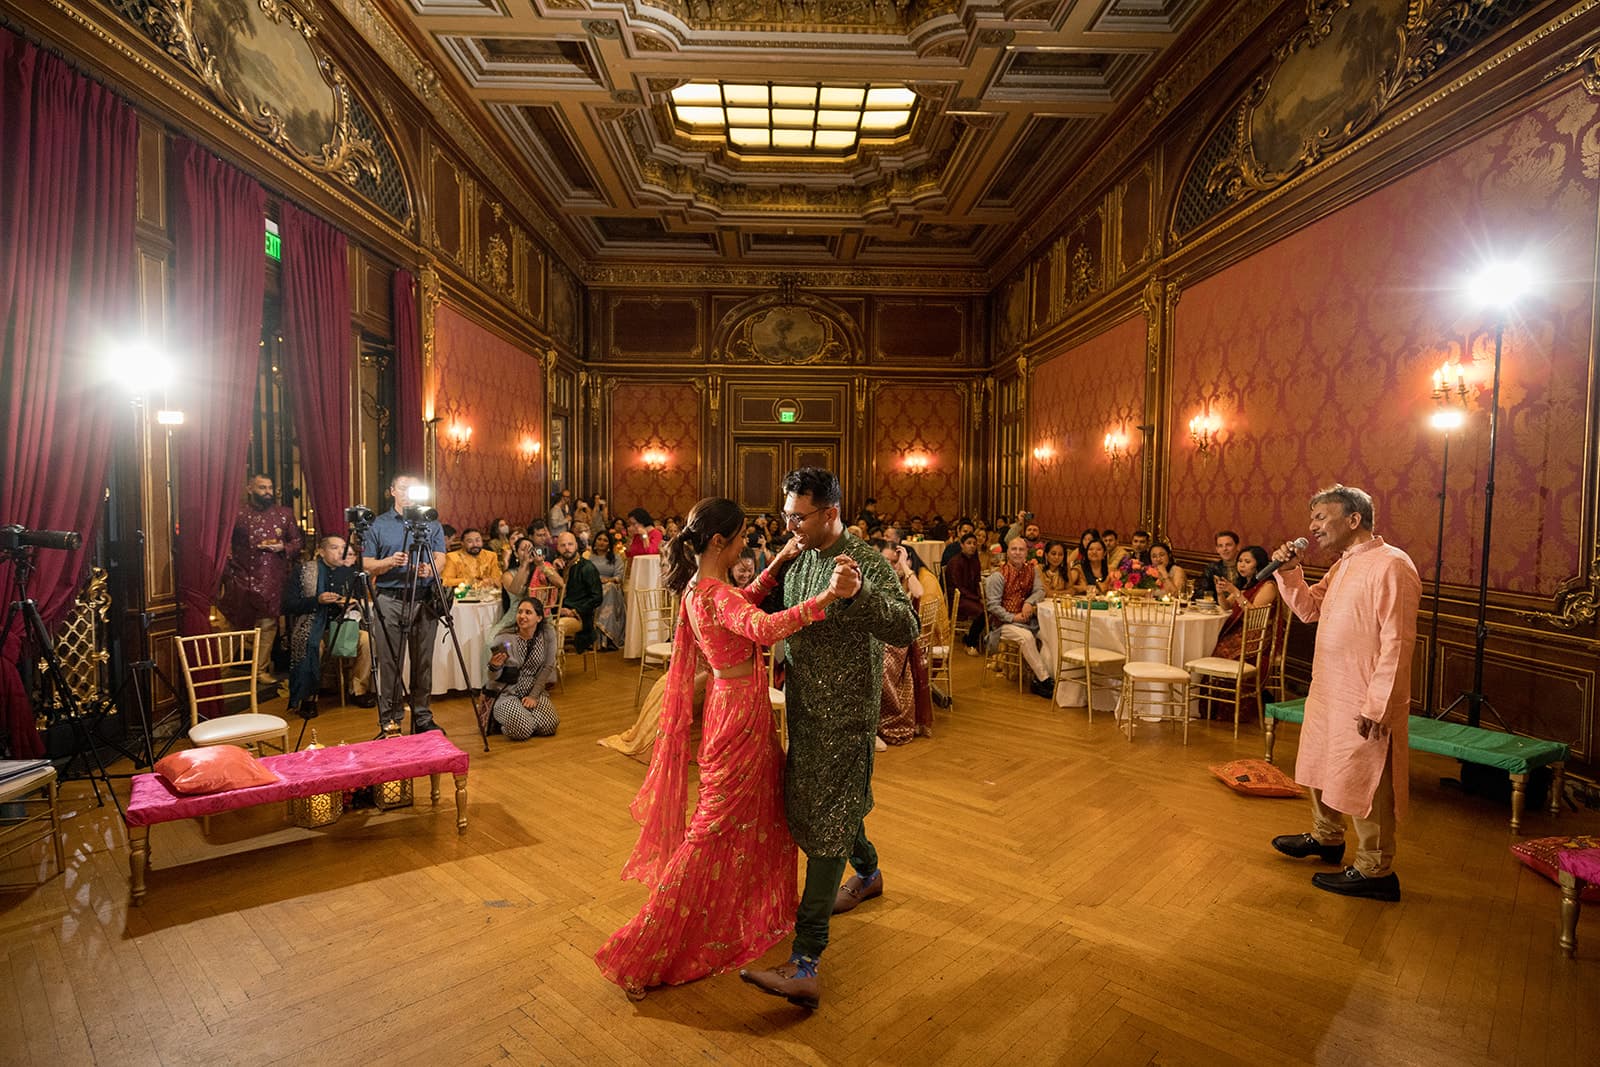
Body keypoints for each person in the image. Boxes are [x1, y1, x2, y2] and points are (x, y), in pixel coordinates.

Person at [595, 498, 852, 1001]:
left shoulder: (700, 588)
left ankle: (738, 916)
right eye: (738, 539)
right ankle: (647, 946)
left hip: (730, 708)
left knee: (757, 818)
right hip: (738, 719)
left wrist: (778, 563)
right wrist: (826, 597)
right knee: (711, 833)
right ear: (719, 541)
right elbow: (761, 627)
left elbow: (744, 606)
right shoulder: (712, 593)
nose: (742, 546)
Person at [739, 468, 919, 1010]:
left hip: (845, 714)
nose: (789, 525)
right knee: (829, 803)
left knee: (826, 824)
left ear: (830, 513)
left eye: (799, 516)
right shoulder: (798, 556)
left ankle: (806, 960)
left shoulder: (860, 561)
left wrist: (861, 593)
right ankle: (868, 873)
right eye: (786, 515)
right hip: (804, 708)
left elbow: (905, 628)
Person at [1268, 485, 1420, 902]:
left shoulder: (1392, 565)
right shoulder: (1342, 566)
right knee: (1323, 762)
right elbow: (1308, 610)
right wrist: (1289, 571)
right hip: (1329, 688)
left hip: (1363, 692)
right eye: (1311, 518)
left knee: (1365, 778)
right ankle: (1326, 837)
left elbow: (1398, 642)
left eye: (1321, 518)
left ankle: (1375, 870)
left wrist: (1379, 703)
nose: (1312, 527)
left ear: (1354, 519)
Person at [361, 473, 448, 734]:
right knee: (390, 662)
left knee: (423, 662)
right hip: (390, 598)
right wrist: (388, 563)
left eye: (414, 488)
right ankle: (391, 719)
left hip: (423, 599)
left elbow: (441, 557)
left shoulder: (431, 522)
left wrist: (430, 570)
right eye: (403, 487)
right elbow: (365, 563)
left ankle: (422, 716)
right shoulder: (378, 524)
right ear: (392, 492)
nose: (409, 492)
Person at [218, 473, 303, 684]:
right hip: (240, 577)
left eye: (270, 488)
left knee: (267, 626)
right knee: (234, 624)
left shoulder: (284, 514)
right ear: (250, 489)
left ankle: (260, 671)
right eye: (262, 487)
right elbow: (223, 542)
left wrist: (283, 547)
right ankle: (220, 669)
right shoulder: (236, 514)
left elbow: (297, 542)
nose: (267, 492)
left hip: (271, 579)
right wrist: (227, 568)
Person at [281, 535, 373, 717]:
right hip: (313, 625)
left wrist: (350, 602)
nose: (341, 552)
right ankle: (309, 697)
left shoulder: (350, 572)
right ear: (321, 551)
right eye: (334, 548)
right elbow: (288, 604)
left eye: (343, 548)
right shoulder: (304, 570)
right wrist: (317, 600)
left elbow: (362, 599)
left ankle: (358, 690)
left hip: (344, 626)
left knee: (367, 641)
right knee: (312, 644)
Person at [1207, 545, 1280, 721]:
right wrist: (1221, 594)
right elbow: (1227, 607)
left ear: (1259, 565)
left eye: (1247, 561)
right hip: (1240, 633)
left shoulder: (1268, 585)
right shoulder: (1246, 585)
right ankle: (1213, 708)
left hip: (1259, 638)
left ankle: (1231, 710)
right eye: (1240, 561)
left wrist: (1235, 592)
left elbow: (1254, 615)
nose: (1242, 565)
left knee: (1224, 653)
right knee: (1215, 650)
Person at [983, 537, 1054, 698]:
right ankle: (1044, 680)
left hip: (1028, 620)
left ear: (1026, 553)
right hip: (1004, 624)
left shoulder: (1032, 570)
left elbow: (1040, 591)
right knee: (1027, 637)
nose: (1017, 553)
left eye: (1021, 550)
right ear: (1007, 552)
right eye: (1014, 549)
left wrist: (1029, 603)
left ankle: (1042, 677)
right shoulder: (998, 576)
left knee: (1048, 636)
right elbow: (993, 606)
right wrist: (1013, 617)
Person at [876, 543, 932, 746]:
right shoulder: (875, 579)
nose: (890, 566)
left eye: (894, 561)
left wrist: (905, 566)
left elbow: (918, 593)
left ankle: (885, 722)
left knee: (880, 668)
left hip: (898, 642)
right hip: (877, 638)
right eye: (887, 561)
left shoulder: (905, 582)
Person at [483, 597, 560, 739]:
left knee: (550, 725)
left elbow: (548, 666)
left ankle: (521, 717)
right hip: (507, 692)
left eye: (528, 612)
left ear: (539, 618)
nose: (522, 616)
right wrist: (494, 666)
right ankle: (506, 721)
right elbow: (492, 678)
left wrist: (533, 696)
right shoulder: (504, 638)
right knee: (523, 730)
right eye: (520, 612)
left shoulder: (547, 634)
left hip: (532, 690)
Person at [554, 530, 602, 652]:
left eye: (570, 544)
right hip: (557, 613)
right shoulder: (557, 567)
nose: (567, 548)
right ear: (557, 548)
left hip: (580, 616)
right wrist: (553, 571)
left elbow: (597, 597)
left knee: (557, 627)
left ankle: (555, 666)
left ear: (576, 545)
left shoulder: (587, 567)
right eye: (563, 545)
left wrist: (574, 611)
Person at [586, 529, 626, 650]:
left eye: (605, 540)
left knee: (609, 588)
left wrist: (608, 580)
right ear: (595, 541)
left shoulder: (616, 558)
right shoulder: (589, 559)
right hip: (593, 588)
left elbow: (619, 577)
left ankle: (609, 638)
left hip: (611, 588)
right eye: (599, 539)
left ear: (609, 544)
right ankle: (600, 640)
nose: (602, 542)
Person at [946, 532, 985, 655]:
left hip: (970, 596)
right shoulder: (955, 562)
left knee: (991, 608)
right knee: (981, 612)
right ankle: (970, 642)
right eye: (969, 543)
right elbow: (958, 587)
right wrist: (977, 598)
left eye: (974, 543)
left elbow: (977, 582)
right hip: (958, 598)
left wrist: (982, 596)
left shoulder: (975, 561)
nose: (972, 546)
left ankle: (972, 637)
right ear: (962, 545)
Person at [1198, 530, 1243, 599]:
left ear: (1238, 546)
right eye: (1220, 546)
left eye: (1228, 545)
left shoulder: (1244, 568)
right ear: (1217, 549)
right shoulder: (1212, 568)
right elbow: (1202, 592)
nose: (1224, 549)